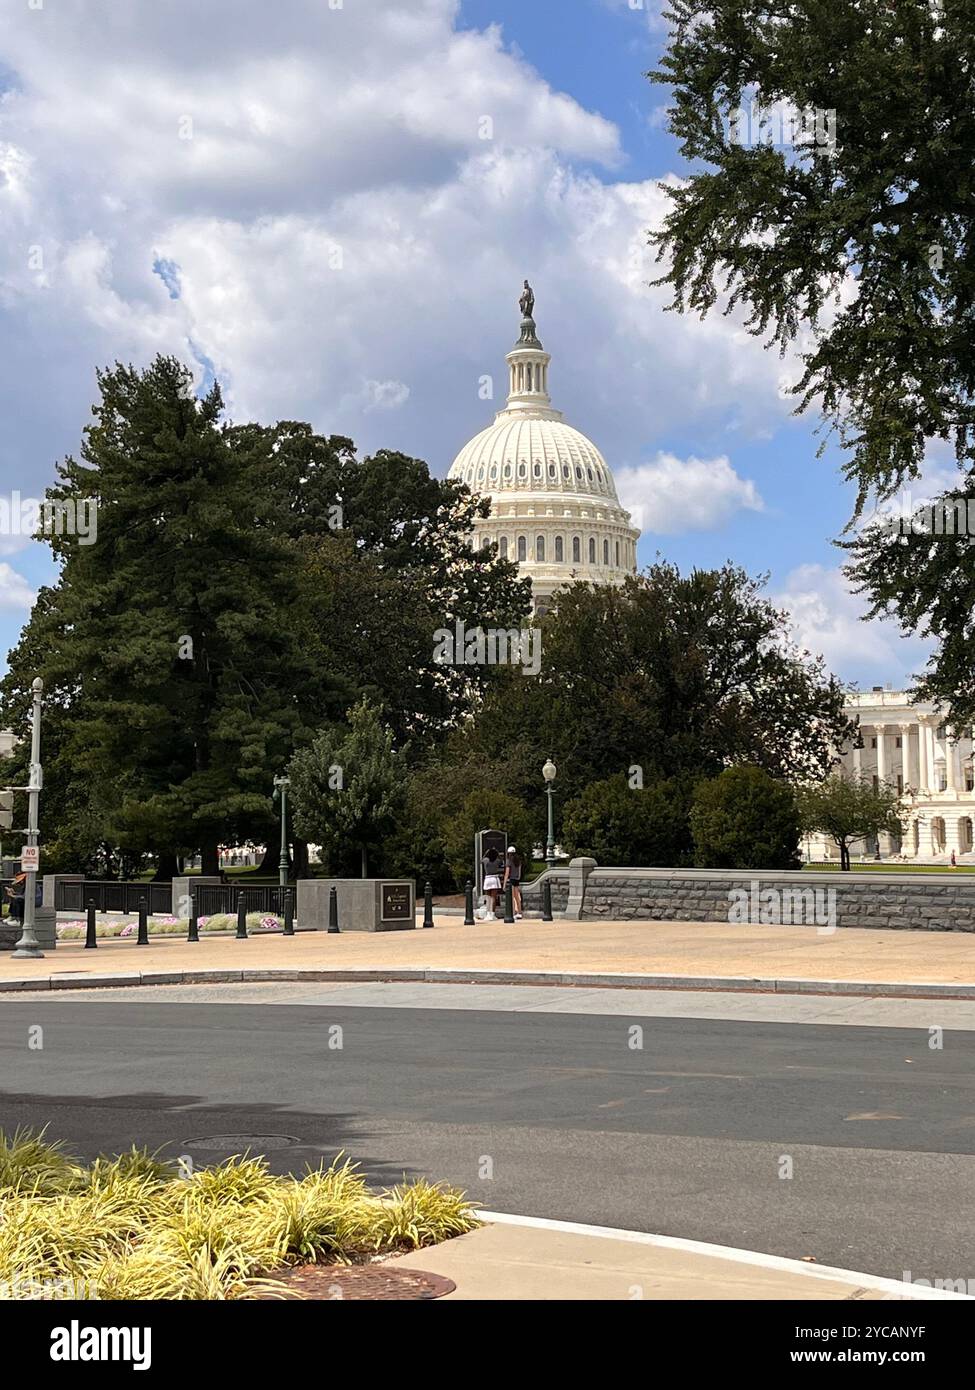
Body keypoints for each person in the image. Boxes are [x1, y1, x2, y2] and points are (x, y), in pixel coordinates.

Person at [481, 846, 502, 918]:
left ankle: (488, 914)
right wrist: (497, 853)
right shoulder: (497, 860)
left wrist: (486, 852)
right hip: (494, 878)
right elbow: (502, 861)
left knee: (488, 898)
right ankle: (492, 914)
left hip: (487, 879)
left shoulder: (486, 860)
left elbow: (481, 860)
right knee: (493, 898)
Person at [504, 845, 523, 920]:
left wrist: (504, 883)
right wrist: (518, 877)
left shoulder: (509, 861)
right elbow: (519, 871)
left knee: (511, 898)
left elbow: (507, 873)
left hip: (511, 879)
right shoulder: (518, 861)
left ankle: (513, 913)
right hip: (516, 879)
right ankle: (519, 912)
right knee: (517, 897)